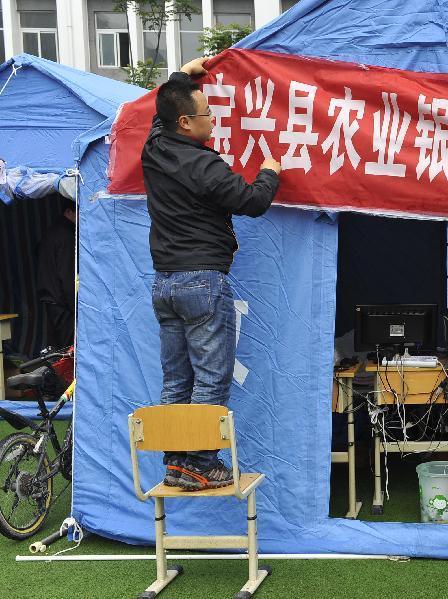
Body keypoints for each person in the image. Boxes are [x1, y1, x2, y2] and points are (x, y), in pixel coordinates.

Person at [143, 57, 282, 491]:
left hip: (165, 284)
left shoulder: (154, 147)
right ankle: (201, 463)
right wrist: (270, 173)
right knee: (211, 376)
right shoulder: (204, 167)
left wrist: (183, 76)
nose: (213, 120)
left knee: (176, 378)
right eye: (207, 114)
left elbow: (158, 113)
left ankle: (175, 462)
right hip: (202, 282)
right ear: (185, 122)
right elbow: (253, 201)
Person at [36, 196, 76, 350]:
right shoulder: (66, 236)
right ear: (68, 212)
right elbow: (67, 276)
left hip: (51, 301)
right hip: (63, 305)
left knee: (59, 349)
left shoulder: (52, 232)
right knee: (69, 351)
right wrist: (76, 308)